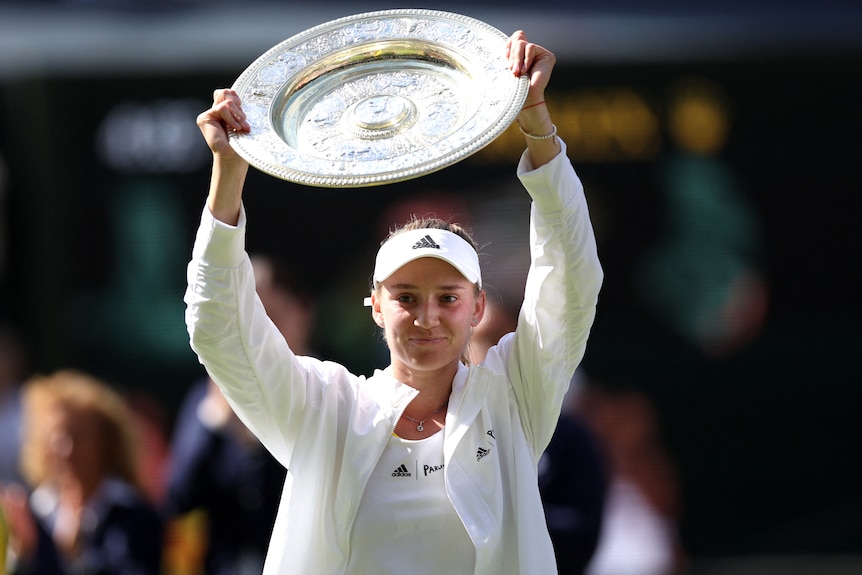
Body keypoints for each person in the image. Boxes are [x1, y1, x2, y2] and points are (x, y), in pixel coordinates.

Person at [185, 30, 603, 574]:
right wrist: (229, 172)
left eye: (447, 298)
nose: (426, 317)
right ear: (376, 307)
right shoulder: (327, 409)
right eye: (406, 297)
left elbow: (570, 284)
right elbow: (219, 330)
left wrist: (537, 125)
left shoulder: (513, 396)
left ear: (477, 309)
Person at [164, 255, 313, 575]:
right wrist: (216, 419)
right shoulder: (208, 397)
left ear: (303, 312)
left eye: (270, 316)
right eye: (247, 319)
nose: (259, 334)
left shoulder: (335, 394)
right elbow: (179, 498)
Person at [5, 370, 163, 575]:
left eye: (78, 436)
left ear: (105, 442)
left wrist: (75, 556)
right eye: (58, 437)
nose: (67, 450)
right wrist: (21, 556)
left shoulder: (135, 516)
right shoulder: (35, 515)